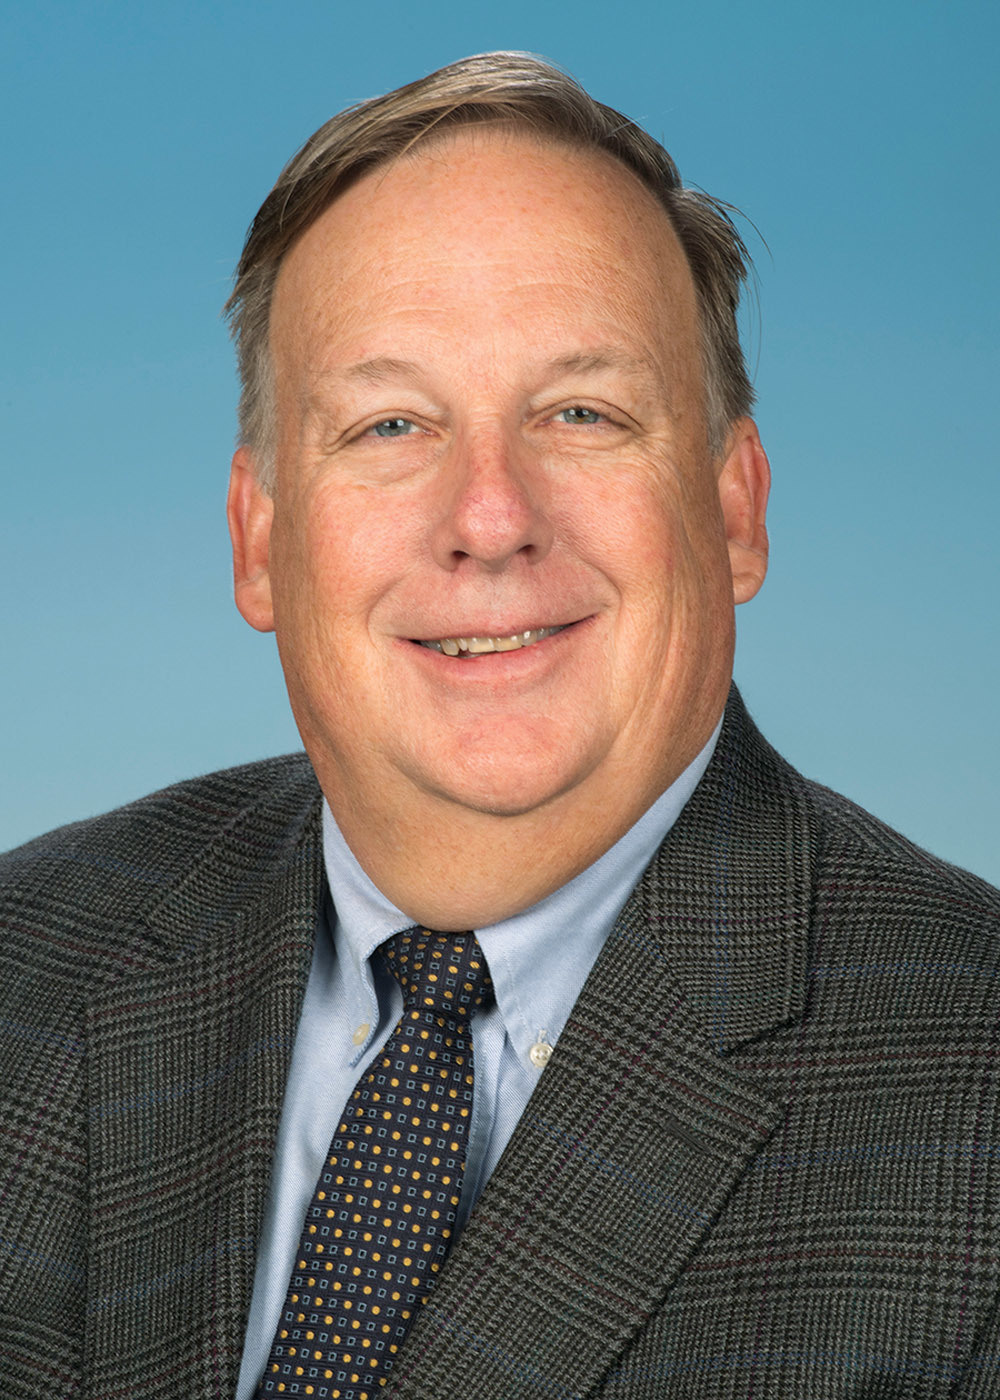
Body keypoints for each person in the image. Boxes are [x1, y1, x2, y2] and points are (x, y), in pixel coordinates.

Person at [2, 51, 999, 1400]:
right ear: (258, 540)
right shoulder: (30, 955)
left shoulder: (971, 1090)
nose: (488, 518)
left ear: (735, 510)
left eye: (581, 413)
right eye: (390, 424)